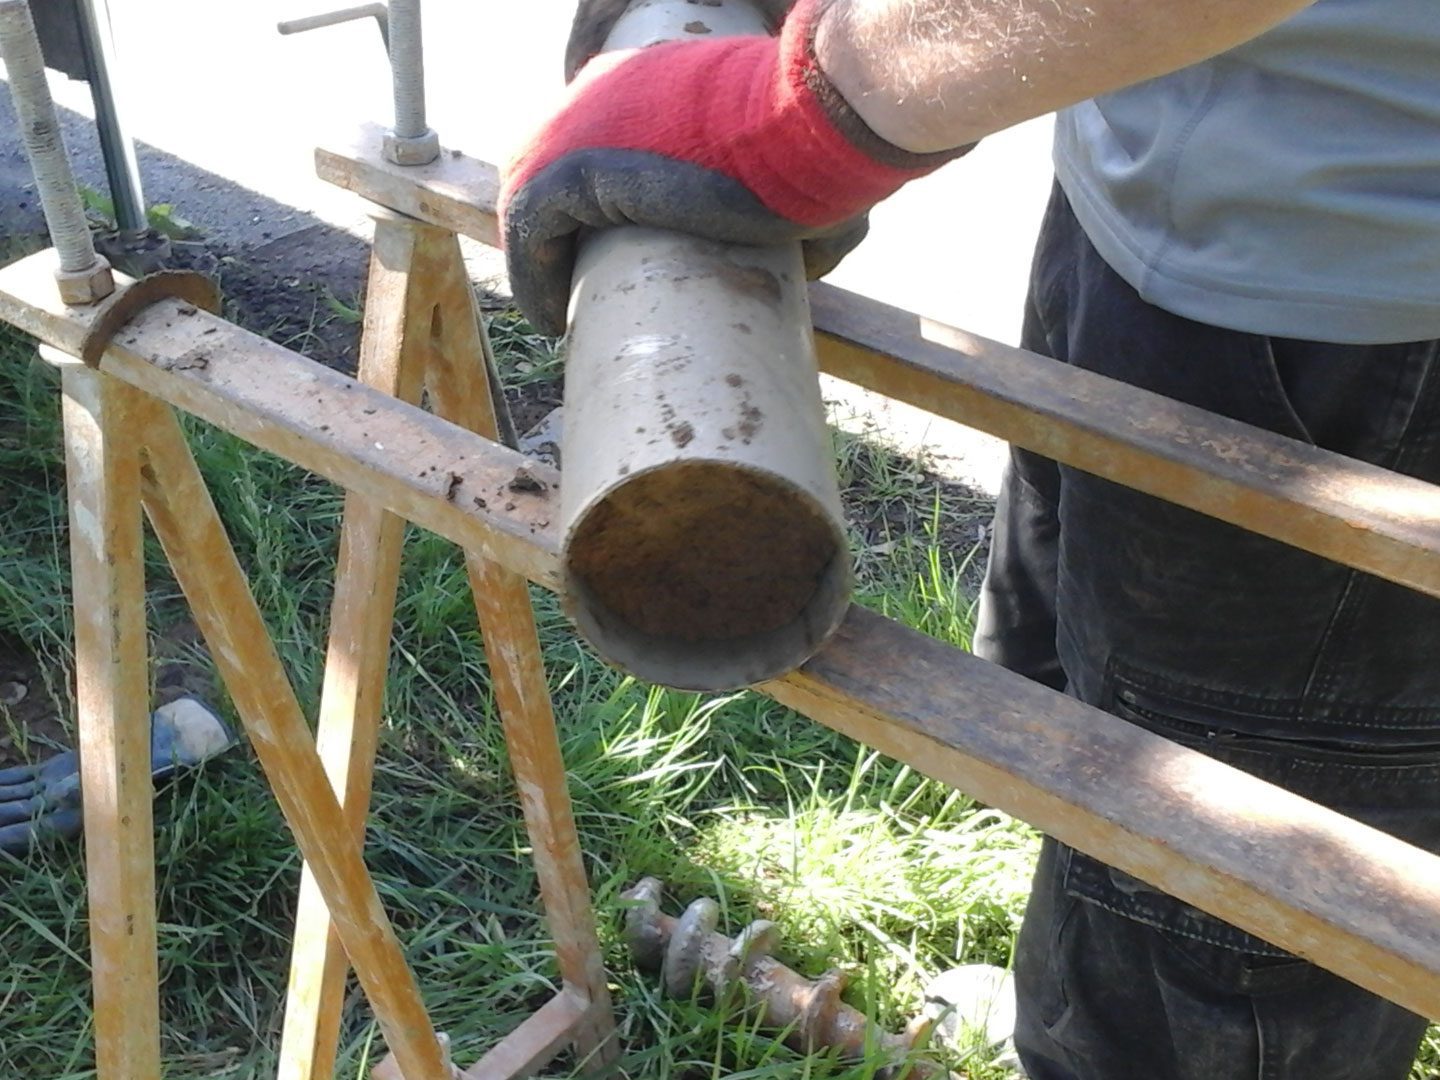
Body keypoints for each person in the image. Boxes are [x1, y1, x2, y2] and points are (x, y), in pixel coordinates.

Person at [499, 0, 1440, 1076]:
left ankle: (1141, 1041)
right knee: (1080, 705)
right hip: (1165, 177)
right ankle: (1083, 1009)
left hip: (1371, 299)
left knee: (1235, 896)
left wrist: (810, 108)